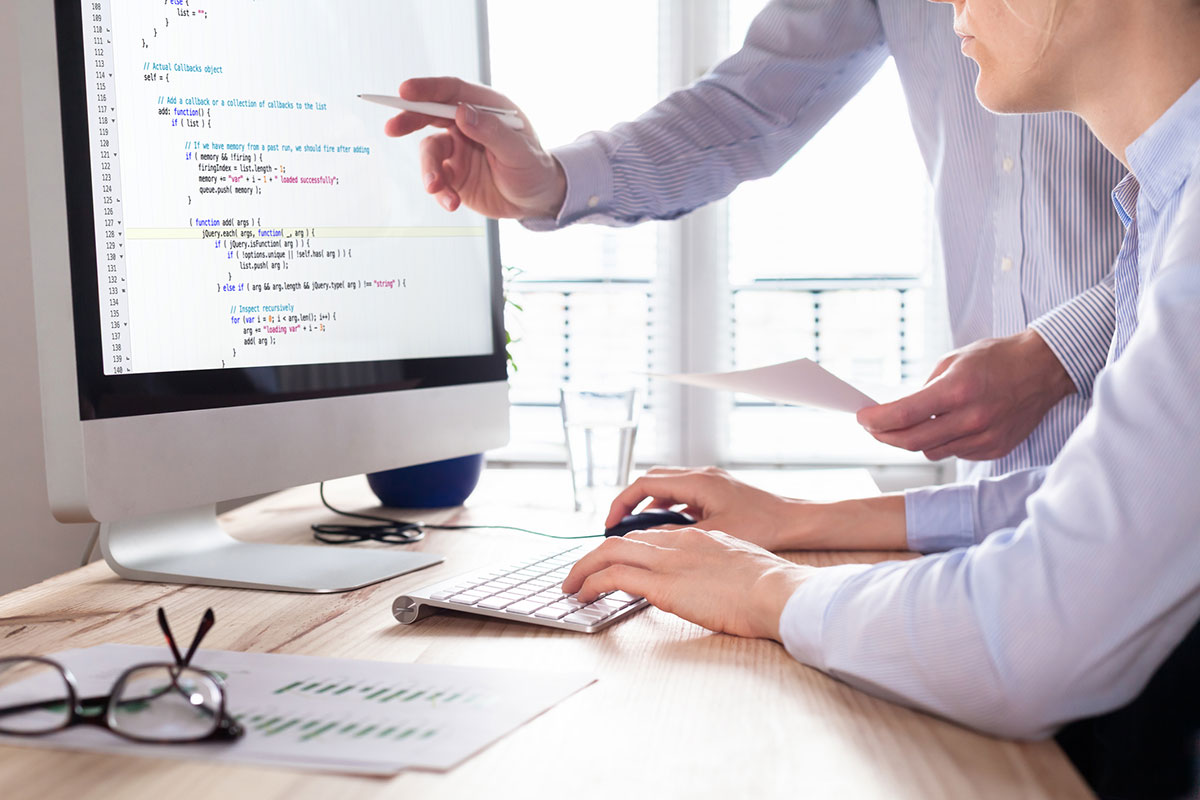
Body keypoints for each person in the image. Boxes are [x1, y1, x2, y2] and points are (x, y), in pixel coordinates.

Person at [555, 0, 1200, 795]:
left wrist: (765, 589)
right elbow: (1115, 504)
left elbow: (1031, 634)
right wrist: (804, 523)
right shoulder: (1162, 203)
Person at [385, 0, 1125, 484]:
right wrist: (550, 180)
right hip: (996, 483)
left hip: (1158, 448)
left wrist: (1062, 352)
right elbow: (752, 106)